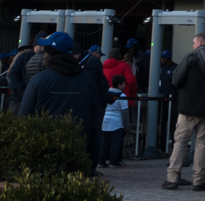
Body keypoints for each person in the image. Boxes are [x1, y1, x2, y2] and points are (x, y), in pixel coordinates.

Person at [19, 31, 104, 160]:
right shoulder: (88, 81)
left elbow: (23, 118)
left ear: (49, 52)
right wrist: (92, 160)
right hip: (78, 153)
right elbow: (95, 124)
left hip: (42, 153)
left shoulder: (38, 80)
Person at [164, 32, 205, 191]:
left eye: (194, 42)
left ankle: (173, 177)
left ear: (201, 41)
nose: (193, 45)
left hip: (188, 109)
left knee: (180, 143)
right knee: (203, 145)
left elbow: (176, 80)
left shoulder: (191, 58)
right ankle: (200, 180)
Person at [102, 73, 131, 168]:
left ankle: (102, 161)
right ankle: (114, 161)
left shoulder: (106, 93)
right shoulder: (122, 96)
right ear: (119, 84)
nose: (125, 85)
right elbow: (125, 112)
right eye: (124, 83)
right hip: (117, 123)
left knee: (104, 143)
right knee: (115, 143)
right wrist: (127, 124)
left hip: (105, 121)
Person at [8, 41, 43, 114]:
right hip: (20, 97)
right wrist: (20, 90)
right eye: (40, 45)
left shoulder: (24, 57)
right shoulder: (23, 57)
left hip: (25, 96)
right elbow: (13, 74)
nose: (42, 48)